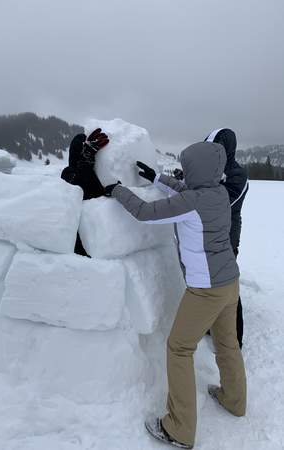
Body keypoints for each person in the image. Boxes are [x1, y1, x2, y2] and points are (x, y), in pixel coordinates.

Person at [105, 142, 247, 449]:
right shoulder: (220, 194)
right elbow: (186, 191)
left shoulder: (192, 202)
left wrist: (117, 190)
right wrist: (158, 178)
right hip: (230, 282)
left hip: (206, 288)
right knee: (227, 343)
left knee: (179, 348)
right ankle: (234, 400)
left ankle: (180, 428)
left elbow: (145, 212)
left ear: (195, 169)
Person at [205, 128, 248, 349]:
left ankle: (235, 337)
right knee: (208, 283)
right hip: (209, 237)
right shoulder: (210, 169)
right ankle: (208, 325)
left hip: (227, 239)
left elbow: (222, 204)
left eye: (217, 148)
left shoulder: (237, 174)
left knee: (229, 288)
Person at [61, 128, 109, 256]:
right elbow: (87, 190)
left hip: (96, 241)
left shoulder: (86, 171)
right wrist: (86, 160)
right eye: (84, 149)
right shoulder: (68, 173)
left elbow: (97, 191)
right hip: (80, 248)